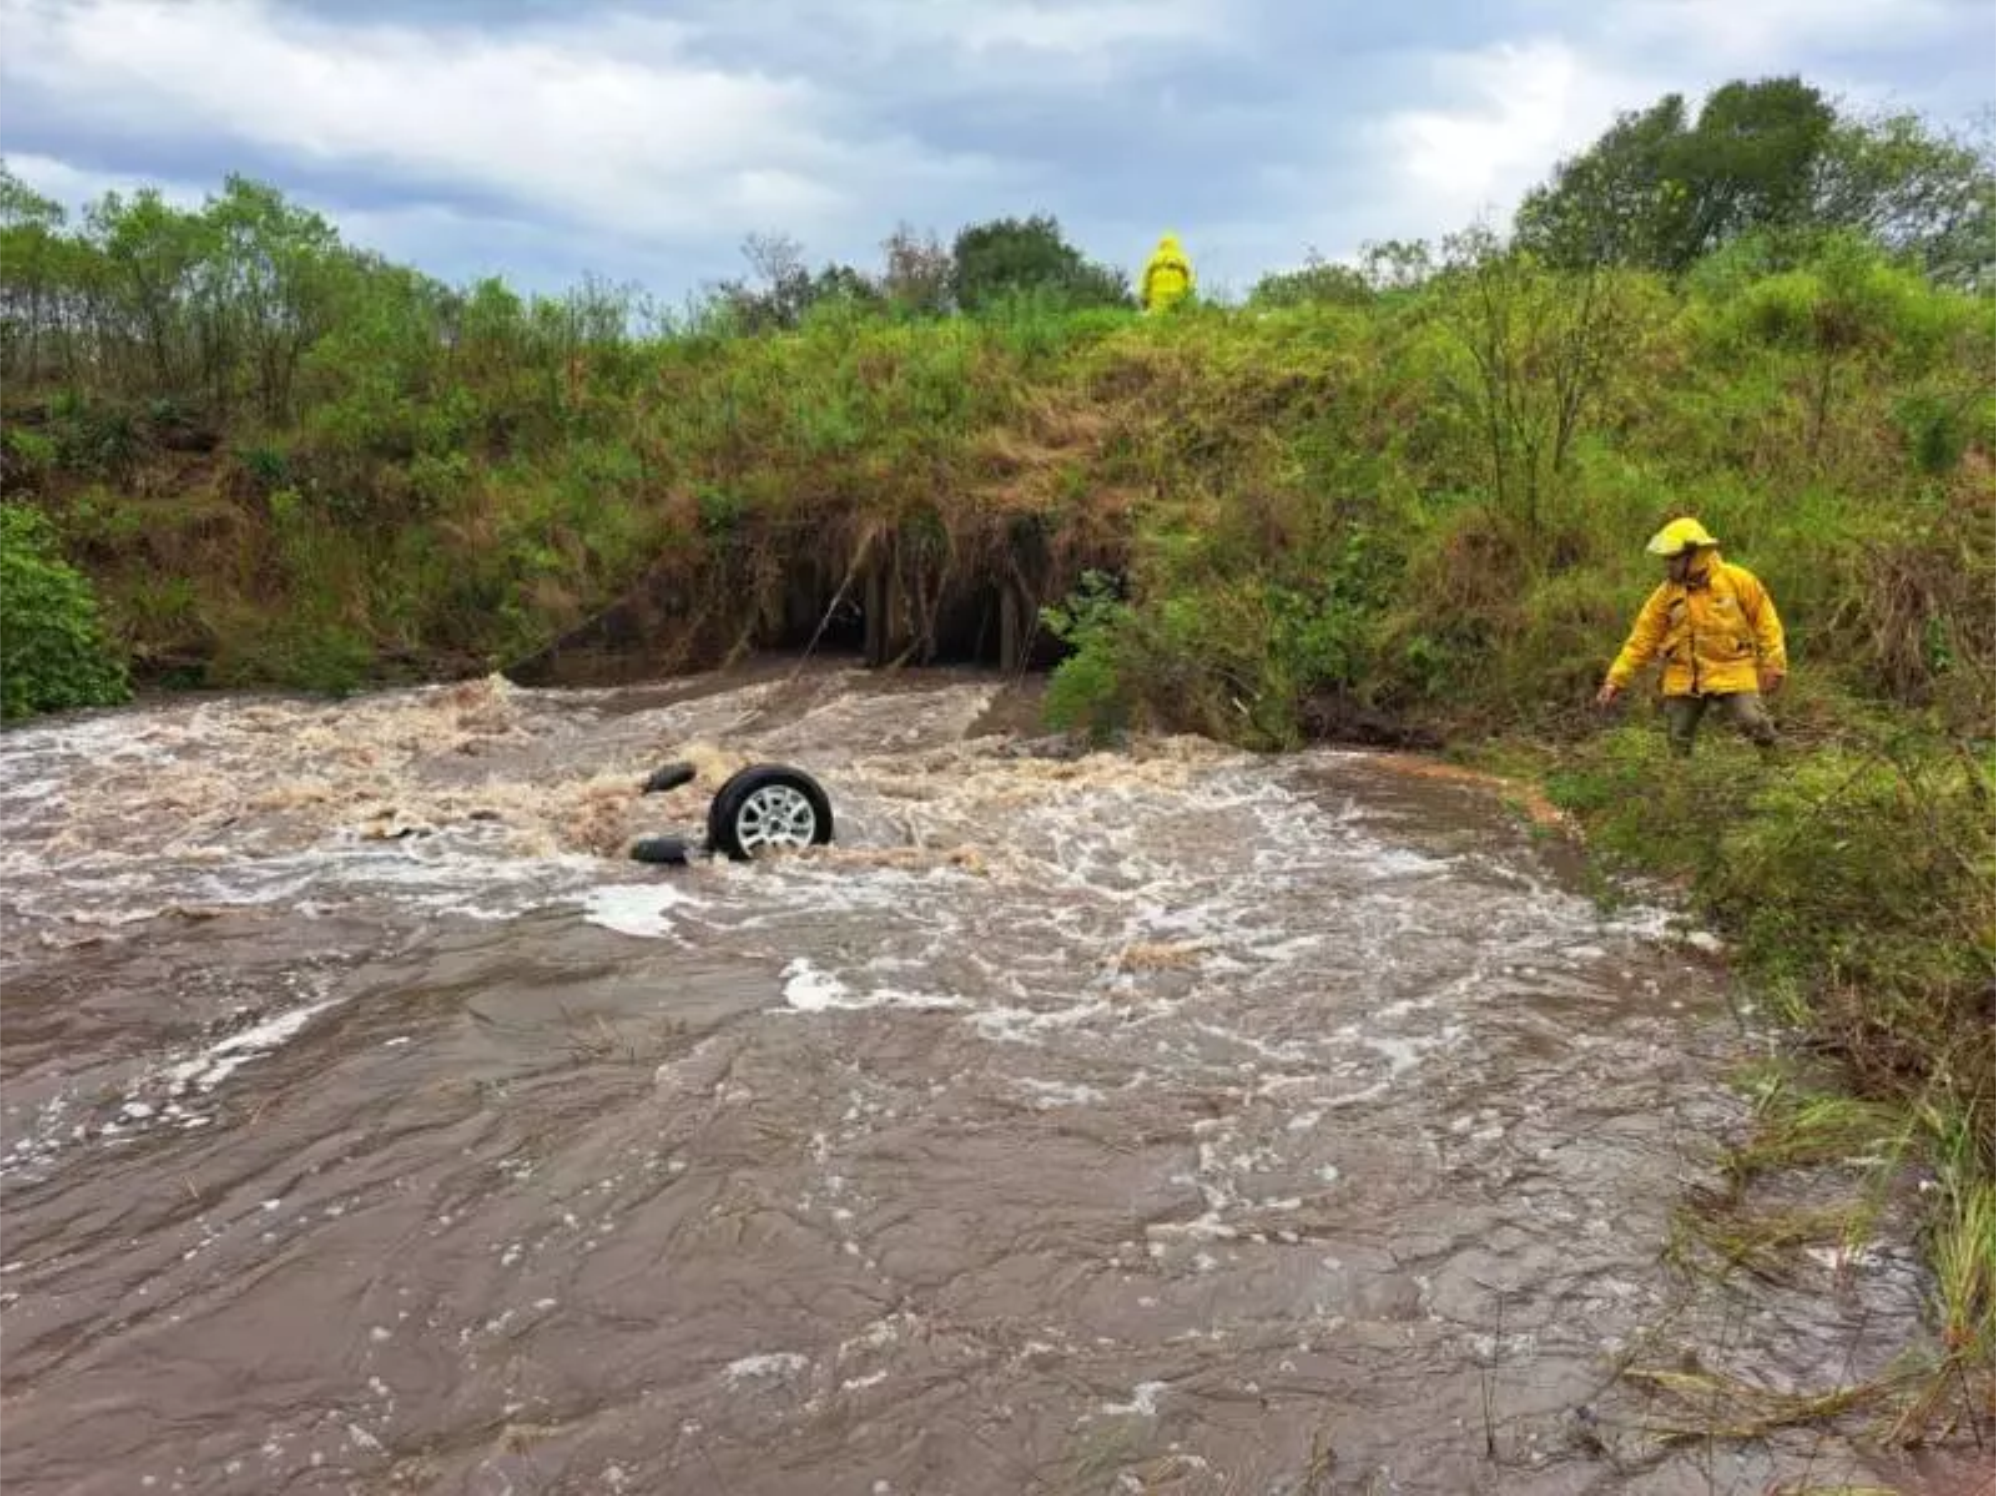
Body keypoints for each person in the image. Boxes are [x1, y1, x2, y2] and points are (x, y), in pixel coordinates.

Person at [1595, 517, 1788, 757]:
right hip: (1684, 676)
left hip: (1732, 668)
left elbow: (1767, 622)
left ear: (1695, 555)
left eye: (1673, 558)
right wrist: (1615, 680)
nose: (1668, 565)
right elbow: (1641, 639)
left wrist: (1774, 663)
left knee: (1753, 722)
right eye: (1666, 559)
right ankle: (1679, 783)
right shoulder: (1665, 595)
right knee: (1678, 737)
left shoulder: (1737, 580)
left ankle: (1777, 766)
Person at [1139, 233, 1195, 314]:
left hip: (1157, 307)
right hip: (1178, 305)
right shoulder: (1182, 260)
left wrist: (1144, 299)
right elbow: (1190, 280)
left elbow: (1145, 281)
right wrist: (1189, 295)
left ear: (1160, 245)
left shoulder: (1153, 260)